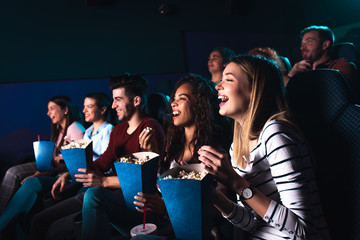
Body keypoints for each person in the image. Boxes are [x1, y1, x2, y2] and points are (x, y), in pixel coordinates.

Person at [198, 55, 330, 239]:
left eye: (228, 79)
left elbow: (302, 231)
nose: (217, 86)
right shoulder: (237, 145)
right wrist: (213, 196)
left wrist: (235, 182)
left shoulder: (276, 134)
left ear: (254, 90)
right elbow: (253, 223)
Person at [28, 74, 165, 240]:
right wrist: (69, 174)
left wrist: (105, 181)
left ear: (136, 101)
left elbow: (144, 179)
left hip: (137, 206)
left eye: (118, 99)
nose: (113, 105)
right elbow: (101, 164)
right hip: (109, 195)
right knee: (40, 221)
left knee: (87, 200)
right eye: (113, 100)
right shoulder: (118, 131)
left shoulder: (150, 128)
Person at [132, 74, 233, 239]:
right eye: (173, 99)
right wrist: (153, 157)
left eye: (182, 98)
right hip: (171, 227)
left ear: (200, 105)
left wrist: (166, 207)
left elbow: (218, 208)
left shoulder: (212, 151)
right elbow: (165, 190)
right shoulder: (173, 147)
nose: (173, 103)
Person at [0, 92, 113, 237]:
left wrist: (70, 158)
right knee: (29, 181)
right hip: (73, 176)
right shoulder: (89, 131)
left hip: (81, 180)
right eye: (84, 107)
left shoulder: (107, 130)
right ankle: (7, 224)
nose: (84, 110)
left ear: (103, 110)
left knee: (24, 179)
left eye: (89, 107)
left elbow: (104, 163)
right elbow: (84, 160)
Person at [0, 96, 84, 215]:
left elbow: (77, 160)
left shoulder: (75, 128)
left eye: (52, 108)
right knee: (12, 172)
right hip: (51, 166)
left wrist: (37, 174)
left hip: (60, 171)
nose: (48, 113)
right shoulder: (59, 130)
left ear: (65, 110)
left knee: (14, 173)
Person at [284, 25, 358, 88]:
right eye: (302, 44)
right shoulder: (300, 71)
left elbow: (337, 91)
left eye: (309, 41)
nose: (302, 47)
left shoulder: (342, 65)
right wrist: (291, 74)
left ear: (325, 45)